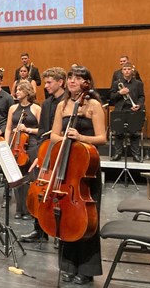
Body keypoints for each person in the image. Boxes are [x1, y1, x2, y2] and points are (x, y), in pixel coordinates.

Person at [50, 65, 106, 285]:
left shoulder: (93, 105)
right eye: (70, 77)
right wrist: (63, 138)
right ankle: (68, 265)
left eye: (77, 77)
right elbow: (54, 135)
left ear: (86, 82)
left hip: (86, 169)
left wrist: (81, 137)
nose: (72, 80)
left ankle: (87, 268)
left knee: (87, 219)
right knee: (66, 217)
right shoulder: (62, 105)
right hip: (67, 167)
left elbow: (102, 138)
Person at [20, 66, 66, 243]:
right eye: (45, 82)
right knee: (40, 190)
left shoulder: (67, 103)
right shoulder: (46, 104)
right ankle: (39, 229)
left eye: (49, 82)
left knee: (59, 192)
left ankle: (60, 229)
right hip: (46, 152)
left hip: (64, 152)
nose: (45, 85)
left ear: (60, 82)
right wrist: (40, 155)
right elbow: (42, 132)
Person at [4, 81, 40, 220]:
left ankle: (29, 209)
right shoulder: (13, 108)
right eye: (16, 90)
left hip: (31, 145)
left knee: (29, 179)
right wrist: (7, 145)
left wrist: (27, 129)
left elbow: (41, 130)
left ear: (27, 91)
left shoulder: (36, 108)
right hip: (16, 146)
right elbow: (8, 128)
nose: (16, 92)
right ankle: (19, 209)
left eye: (19, 90)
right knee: (17, 178)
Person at [110, 62, 145, 162]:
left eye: (129, 69)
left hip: (133, 110)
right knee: (118, 133)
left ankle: (136, 155)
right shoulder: (117, 84)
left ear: (132, 70)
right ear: (122, 71)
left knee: (134, 133)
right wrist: (119, 93)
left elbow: (142, 97)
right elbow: (111, 97)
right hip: (120, 111)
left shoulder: (138, 83)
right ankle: (117, 154)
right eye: (125, 69)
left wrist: (139, 105)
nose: (127, 71)